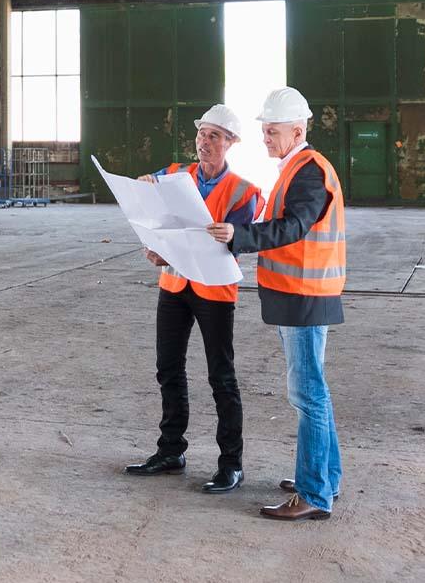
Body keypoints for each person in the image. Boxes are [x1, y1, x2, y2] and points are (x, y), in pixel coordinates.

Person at [206, 87, 346, 520]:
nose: (265, 138)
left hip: (306, 296)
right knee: (314, 392)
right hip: (296, 295)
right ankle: (326, 478)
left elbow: (294, 226)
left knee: (308, 396)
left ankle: (313, 495)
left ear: (297, 130)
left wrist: (240, 237)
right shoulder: (293, 167)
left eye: (272, 131)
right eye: (264, 131)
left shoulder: (307, 170)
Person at [125, 104, 263, 494]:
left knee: (221, 376)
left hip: (214, 290)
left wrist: (222, 237)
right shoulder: (172, 175)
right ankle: (171, 450)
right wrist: (155, 247)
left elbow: (237, 241)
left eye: (215, 136)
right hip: (174, 285)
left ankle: (231, 464)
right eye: (203, 134)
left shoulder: (242, 192)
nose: (205, 142)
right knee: (168, 368)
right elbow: (147, 202)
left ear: (231, 143)